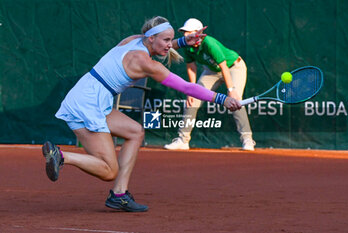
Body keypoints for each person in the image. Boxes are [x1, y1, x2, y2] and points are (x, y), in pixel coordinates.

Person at [42, 16, 241, 212]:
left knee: (135, 131)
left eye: (170, 40)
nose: (168, 45)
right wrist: (222, 99)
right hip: (88, 103)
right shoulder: (147, 63)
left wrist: (183, 41)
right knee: (109, 171)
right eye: (165, 40)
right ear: (151, 38)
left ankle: (119, 195)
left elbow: (161, 44)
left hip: (91, 94)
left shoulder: (133, 40)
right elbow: (187, 87)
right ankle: (60, 156)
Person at [164, 18, 255, 151]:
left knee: (236, 101)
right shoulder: (187, 46)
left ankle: (247, 140)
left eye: (189, 32)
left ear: (199, 33)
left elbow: (223, 66)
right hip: (212, 71)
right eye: (184, 32)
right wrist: (191, 90)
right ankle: (183, 140)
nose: (185, 35)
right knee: (192, 100)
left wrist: (231, 89)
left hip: (233, 67)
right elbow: (191, 67)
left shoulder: (209, 43)